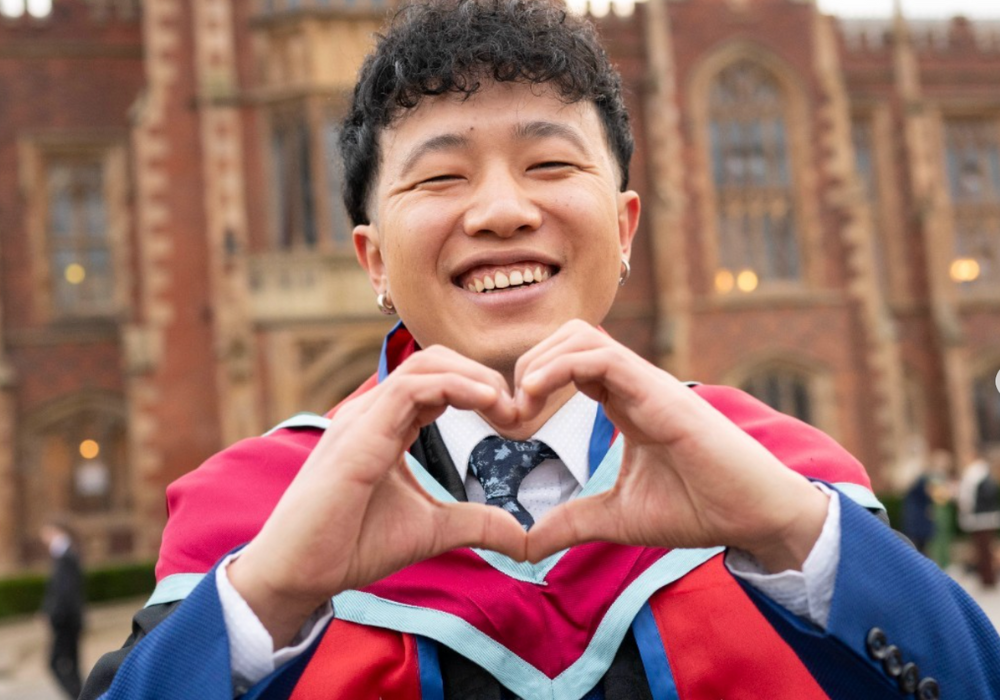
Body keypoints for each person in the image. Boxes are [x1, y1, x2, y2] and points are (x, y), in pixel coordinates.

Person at [82, 1, 1000, 698]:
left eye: (552, 165)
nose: (501, 211)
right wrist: (270, 595)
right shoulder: (252, 512)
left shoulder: (774, 473)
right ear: (374, 257)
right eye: (440, 175)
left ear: (624, 224)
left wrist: (796, 538)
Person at [40, 520, 85, 699]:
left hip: (66, 621)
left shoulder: (65, 557)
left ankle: (79, 696)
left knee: (55, 663)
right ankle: (84, 695)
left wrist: (52, 614)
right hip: (70, 619)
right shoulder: (66, 555)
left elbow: (63, 592)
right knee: (72, 664)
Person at [958, 449, 1000, 587]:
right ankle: (987, 578)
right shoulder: (980, 474)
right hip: (983, 518)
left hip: (980, 518)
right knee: (984, 549)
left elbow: (966, 498)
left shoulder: (976, 474)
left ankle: (988, 578)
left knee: (984, 550)